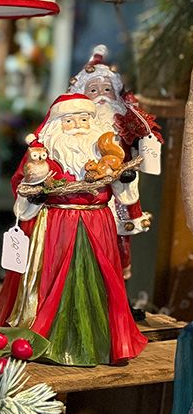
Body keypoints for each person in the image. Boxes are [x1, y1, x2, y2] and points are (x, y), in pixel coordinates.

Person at [0, 93, 147, 366]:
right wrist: (32, 195)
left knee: (99, 277)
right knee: (51, 275)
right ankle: (46, 334)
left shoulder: (108, 152)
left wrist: (123, 180)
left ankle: (99, 338)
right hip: (56, 225)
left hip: (97, 222)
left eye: (84, 119)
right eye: (70, 120)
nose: (79, 125)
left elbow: (124, 192)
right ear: (57, 124)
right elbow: (23, 185)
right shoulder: (43, 155)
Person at [68, 45, 161, 278]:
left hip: (120, 189)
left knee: (120, 241)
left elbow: (145, 134)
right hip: (84, 194)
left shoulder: (124, 120)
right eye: (93, 89)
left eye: (107, 89)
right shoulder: (73, 125)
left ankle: (118, 290)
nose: (101, 95)